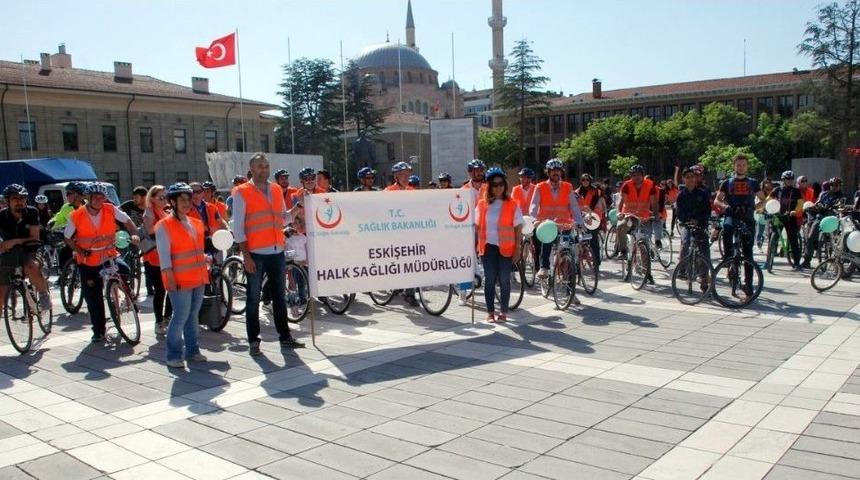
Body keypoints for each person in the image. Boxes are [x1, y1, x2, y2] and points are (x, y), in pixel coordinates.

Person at [233, 153, 303, 356]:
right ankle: (254, 341)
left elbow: (282, 219)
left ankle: (285, 336)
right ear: (252, 169)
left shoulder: (274, 189)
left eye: (266, 166)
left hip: (277, 250)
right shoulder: (241, 192)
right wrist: (246, 256)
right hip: (255, 253)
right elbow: (238, 228)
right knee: (253, 298)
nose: (264, 169)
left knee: (280, 297)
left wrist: (296, 210)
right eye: (260, 166)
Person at [65, 182, 139, 342]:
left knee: (124, 269)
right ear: (88, 198)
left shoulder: (110, 209)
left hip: (108, 253)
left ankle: (128, 295)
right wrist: (79, 250)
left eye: (102, 197)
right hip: (88, 259)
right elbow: (67, 238)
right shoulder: (77, 215)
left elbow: (128, 222)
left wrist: (134, 234)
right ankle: (98, 330)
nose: (99, 200)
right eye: (95, 197)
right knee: (93, 297)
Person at [155, 183, 209, 368]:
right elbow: (164, 256)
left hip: (198, 277)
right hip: (179, 279)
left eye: (189, 199)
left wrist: (206, 259)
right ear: (173, 202)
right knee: (180, 317)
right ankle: (173, 355)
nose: (187, 203)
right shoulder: (164, 225)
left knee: (193, 315)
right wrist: (169, 278)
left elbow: (195, 250)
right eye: (182, 200)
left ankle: (193, 351)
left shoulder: (195, 222)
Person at [528, 159, 585, 298]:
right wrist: (534, 219)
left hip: (564, 223)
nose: (556, 173)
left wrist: (579, 221)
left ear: (561, 172)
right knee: (547, 242)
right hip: (547, 224)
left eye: (558, 171)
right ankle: (545, 268)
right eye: (553, 171)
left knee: (570, 251)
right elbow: (534, 205)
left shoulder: (567, 187)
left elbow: (574, 206)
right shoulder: (540, 187)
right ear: (548, 172)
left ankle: (569, 288)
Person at [714, 154, 765, 299]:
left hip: (748, 218)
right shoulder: (726, 182)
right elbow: (717, 200)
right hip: (732, 215)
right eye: (738, 165)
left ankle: (748, 284)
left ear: (747, 166)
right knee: (728, 228)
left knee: (748, 253)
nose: (741, 167)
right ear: (734, 166)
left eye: (743, 165)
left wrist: (754, 208)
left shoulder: (753, 183)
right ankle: (728, 258)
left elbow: (764, 199)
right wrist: (726, 207)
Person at [475, 168, 523, 323]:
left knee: (504, 280)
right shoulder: (482, 204)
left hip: (506, 248)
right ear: (489, 186)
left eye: (501, 184)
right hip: (488, 248)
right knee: (489, 280)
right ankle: (490, 312)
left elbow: (518, 228)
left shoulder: (512, 204)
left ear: (505, 185)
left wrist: (518, 248)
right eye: (494, 185)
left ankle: (503, 312)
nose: (498, 187)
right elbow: (476, 226)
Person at [0, 184, 52, 313]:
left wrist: (15, 241)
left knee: (30, 267)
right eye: (15, 199)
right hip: (9, 253)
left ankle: (43, 294)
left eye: (22, 198)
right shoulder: (1, 215)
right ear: (8, 201)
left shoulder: (32, 212)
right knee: (1, 289)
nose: (19, 202)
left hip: (31, 249)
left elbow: (34, 237)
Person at [616, 164, 658, 283]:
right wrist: (620, 213)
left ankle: (647, 273)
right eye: (633, 175)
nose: (636, 177)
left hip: (644, 216)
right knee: (620, 227)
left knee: (644, 245)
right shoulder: (627, 185)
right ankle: (622, 250)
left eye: (638, 175)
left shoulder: (650, 185)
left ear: (642, 175)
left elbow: (654, 202)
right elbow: (621, 201)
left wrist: (656, 215)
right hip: (629, 215)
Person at [674, 167, 712, 291]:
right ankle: (683, 270)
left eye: (692, 177)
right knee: (685, 242)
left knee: (703, 248)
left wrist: (699, 220)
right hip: (686, 224)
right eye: (687, 177)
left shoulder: (702, 193)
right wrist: (687, 220)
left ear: (696, 179)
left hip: (701, 224)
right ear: (683, 179)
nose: (690, 179)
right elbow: (679, 212)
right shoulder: (681, 195)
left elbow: (707, 211)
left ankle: (704, 278)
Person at [142, 185, 173, 335]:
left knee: (171, 288)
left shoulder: (165, 211)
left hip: (166, 255)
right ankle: (159, 321)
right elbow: (150, 231)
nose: (164, 200)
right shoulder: (149, 212)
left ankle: (167, 317)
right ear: (152, 198)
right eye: (161, 197)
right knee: (160, 290)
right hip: (153, 257)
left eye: (165, 197)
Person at [802, 177, 845, 269]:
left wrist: (835, 208)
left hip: (833, 220)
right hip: (820, 218)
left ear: (840, 186)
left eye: (836, 185)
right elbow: (817, 203)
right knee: (810, 237)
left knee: (834, 242)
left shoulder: (841, 196)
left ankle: (836, 263)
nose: (834, 187)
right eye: (832, 185)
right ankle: (807, 260)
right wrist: (813, 207)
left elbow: (840, 206)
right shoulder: (824, 194)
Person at [769, 171, 804, 270]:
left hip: (790, 217)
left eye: (791, 179)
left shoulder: (796, 191)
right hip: (778, 216)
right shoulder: (777, 190)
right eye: (787, 179)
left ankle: (797, 263)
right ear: (783, 180)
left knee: (793, 240)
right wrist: (762, 208)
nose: (789, 181)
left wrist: (796, 211)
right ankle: (769, 260)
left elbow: (800, 204)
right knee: (773, 235)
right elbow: (768, 200)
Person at [49, 181, 87, 269]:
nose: (67, 196)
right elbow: (59, 217)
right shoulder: (66, 207)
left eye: (69, 193)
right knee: (64, 252)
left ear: (78, 195)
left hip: (88, 239)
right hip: (74, 239)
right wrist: (52, 223)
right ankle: (65, 276)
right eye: (66, 193)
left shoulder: (89, 206)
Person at [575, 173, 605, 269]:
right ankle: (578, 260)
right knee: (578, 238)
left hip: (594, 217)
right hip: (581, 216)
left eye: (587, 180)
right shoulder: (577, 192)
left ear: (590, 180)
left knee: (593, 240)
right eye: (583, 180)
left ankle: (596, 262)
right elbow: (574, 205)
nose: (585, 182)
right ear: (581, 181)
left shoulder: (596, 191)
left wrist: (590, 210)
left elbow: (595, 203)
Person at [188, 182, 227, 252]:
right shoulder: (185, 209)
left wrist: (228, 230)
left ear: (203, 193)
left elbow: (221, 221)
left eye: (198, 192)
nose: (195, 194)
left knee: (219, 262)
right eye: (192, 192)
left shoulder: (212, 207)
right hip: (196, 246)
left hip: (214, 243)